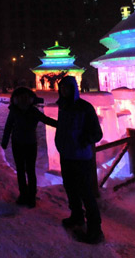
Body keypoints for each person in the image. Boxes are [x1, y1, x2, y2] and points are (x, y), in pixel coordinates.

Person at [54, 76, 104, 244]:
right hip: (66, 155)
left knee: (86, 193)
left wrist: (82, 141)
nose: (64, 91)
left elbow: (97, 133)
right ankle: (76, 216)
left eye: (67, 88)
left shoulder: (85, 108)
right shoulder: (63, 106)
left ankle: (95, 230)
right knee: (70, 189)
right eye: (62, 88)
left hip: (81, 158)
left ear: (73, 89)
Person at [1, 87, 57, 208]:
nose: (23, 100)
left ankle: (31, 195)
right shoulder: (15, 111)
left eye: (25, 98)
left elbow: (46, 120)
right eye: (20, 98)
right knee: (22, 170)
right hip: (19, 143)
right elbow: (8, 126)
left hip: (30, 143)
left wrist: (60, 124)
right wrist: (5, 140)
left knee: (29, 170)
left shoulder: (32, 111)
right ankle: (23, 194)